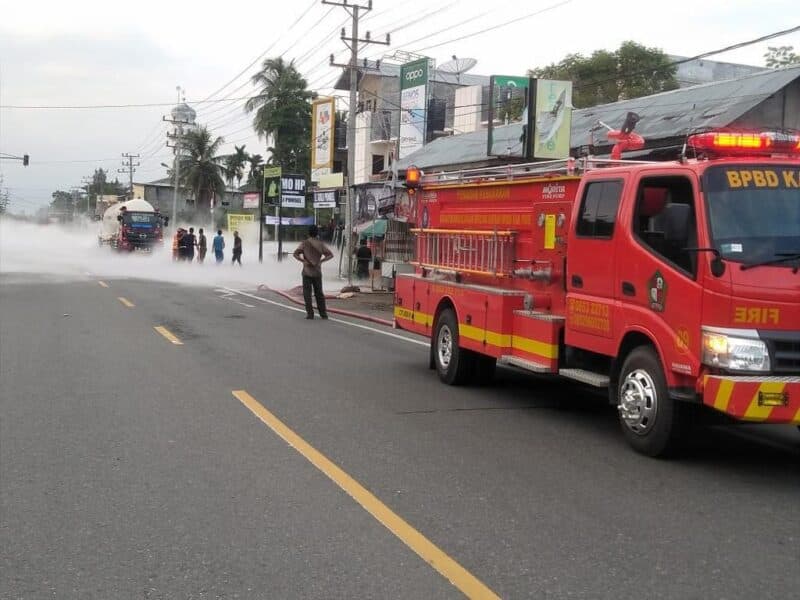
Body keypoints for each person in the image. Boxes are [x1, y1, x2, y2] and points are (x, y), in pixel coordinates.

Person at [293, 224, 334, 319]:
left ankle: (310, 313)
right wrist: (321, 261)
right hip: (317, 272)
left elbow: (295, 254)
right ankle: (323, 314)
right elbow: (330, 255)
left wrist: (303, 261)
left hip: (306, 271)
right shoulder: (320, 244)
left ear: (309, 233)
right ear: (317, 233)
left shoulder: (304, 243)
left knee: (307, 293)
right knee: (319, 293)